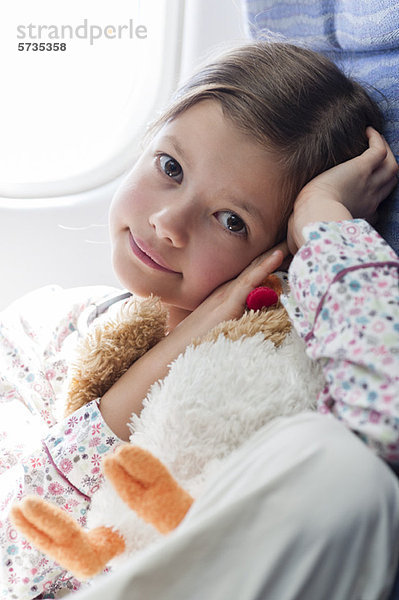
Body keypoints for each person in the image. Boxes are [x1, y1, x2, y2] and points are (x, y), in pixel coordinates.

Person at [0, 41, 398, 599]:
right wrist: (139, 384)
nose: (168, 220)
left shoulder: (281, 375)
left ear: (276, 256)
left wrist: (321, 222)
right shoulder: (42, 328)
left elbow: (388, 416)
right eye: (170, 167)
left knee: (344, 471)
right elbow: (15, 569)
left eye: (230, 220)